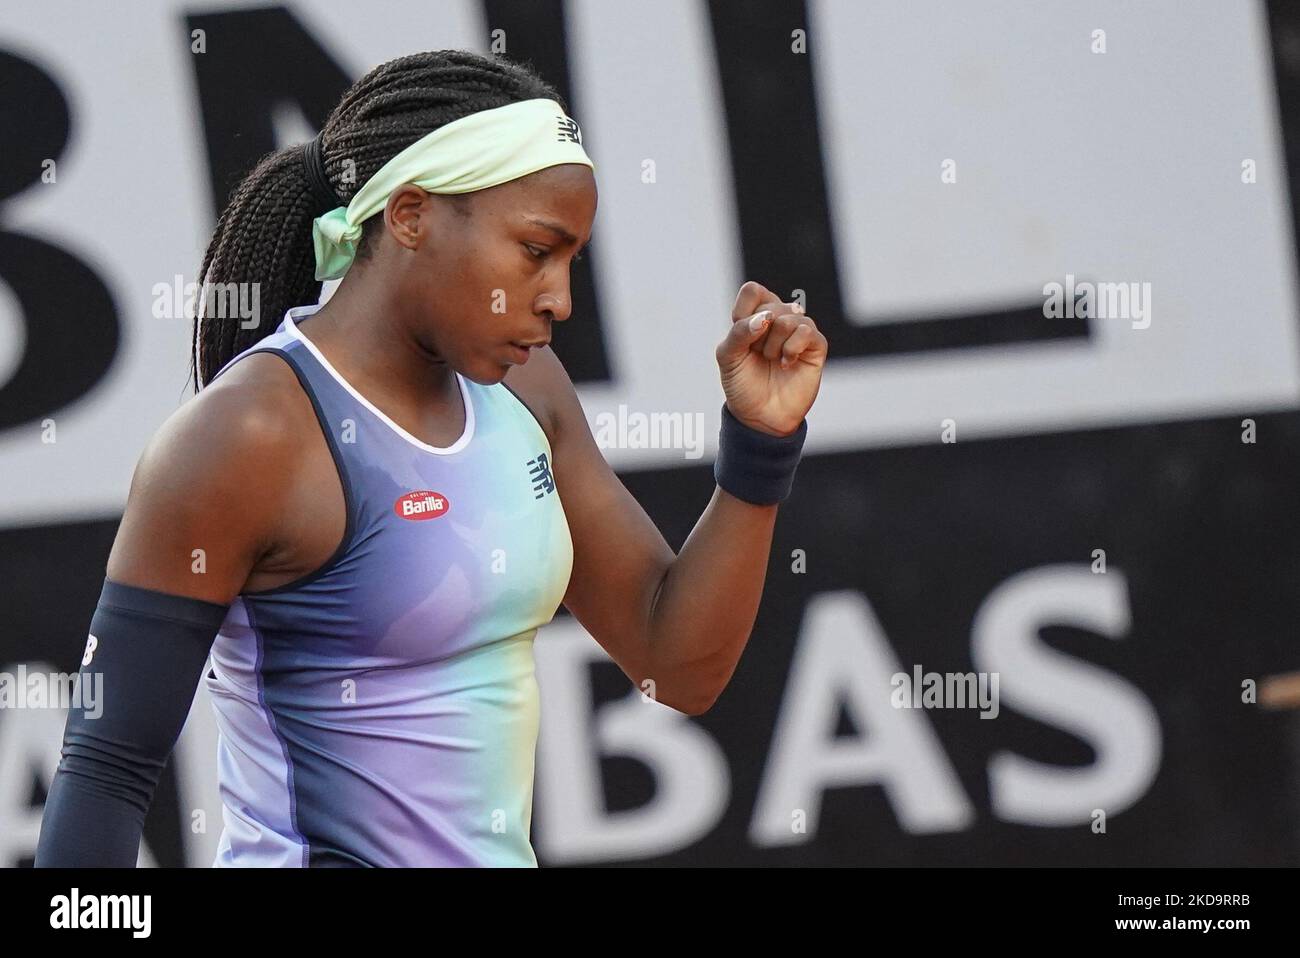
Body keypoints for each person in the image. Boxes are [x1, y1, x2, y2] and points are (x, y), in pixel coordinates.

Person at [35, 49, 826, 867]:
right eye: (534, 251)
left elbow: (676, 665)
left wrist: (760, 448)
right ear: (410, 216)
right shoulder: (246, 436)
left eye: (569, 262)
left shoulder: (530, 388)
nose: (559, 298)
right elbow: (106, 771)